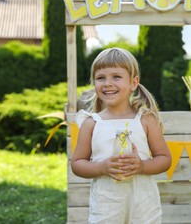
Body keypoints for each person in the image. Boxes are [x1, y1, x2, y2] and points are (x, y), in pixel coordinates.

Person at [72, 47, 172, 224]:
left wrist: (141, 166)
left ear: (133, 83)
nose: (107, 83)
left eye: (116, 77)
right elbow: (77, 164)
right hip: (106, 207)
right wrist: (101, 168)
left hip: (143, 206)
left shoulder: (146, 119)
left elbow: (164, 159)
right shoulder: (91, 123)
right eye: (100, 78)